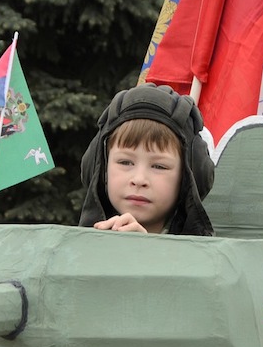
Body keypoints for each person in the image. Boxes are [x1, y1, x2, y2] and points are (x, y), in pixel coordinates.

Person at [79, 84, 214, 235]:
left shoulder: (203, 257)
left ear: (187, 177)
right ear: (102, 169)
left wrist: (145, 250)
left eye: (159, 166)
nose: (139, 179)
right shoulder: (69, 251)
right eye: (125, 162)